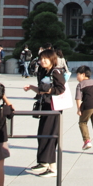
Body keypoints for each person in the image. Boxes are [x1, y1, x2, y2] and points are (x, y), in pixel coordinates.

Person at [24, 49, 65, 179]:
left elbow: (60, 89)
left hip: (53, 109)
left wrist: (48, 90)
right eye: (41, 59)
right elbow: (42, 90)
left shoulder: (56, 72)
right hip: (45, 107)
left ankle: (52, 167)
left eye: (45, 59)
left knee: (49, 136)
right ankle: (44, 162)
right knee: (42, 135)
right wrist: (31, 87)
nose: (42, 61)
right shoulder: (44, 72)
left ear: (52, 60)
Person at [75, 65, 93, 153]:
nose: (77, 77)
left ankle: (87, 141)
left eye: (78, 75)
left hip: (88, 105)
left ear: (83, 74)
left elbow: (78, 98)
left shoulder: (80, 84)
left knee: (82, 122)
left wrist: (79, 109)